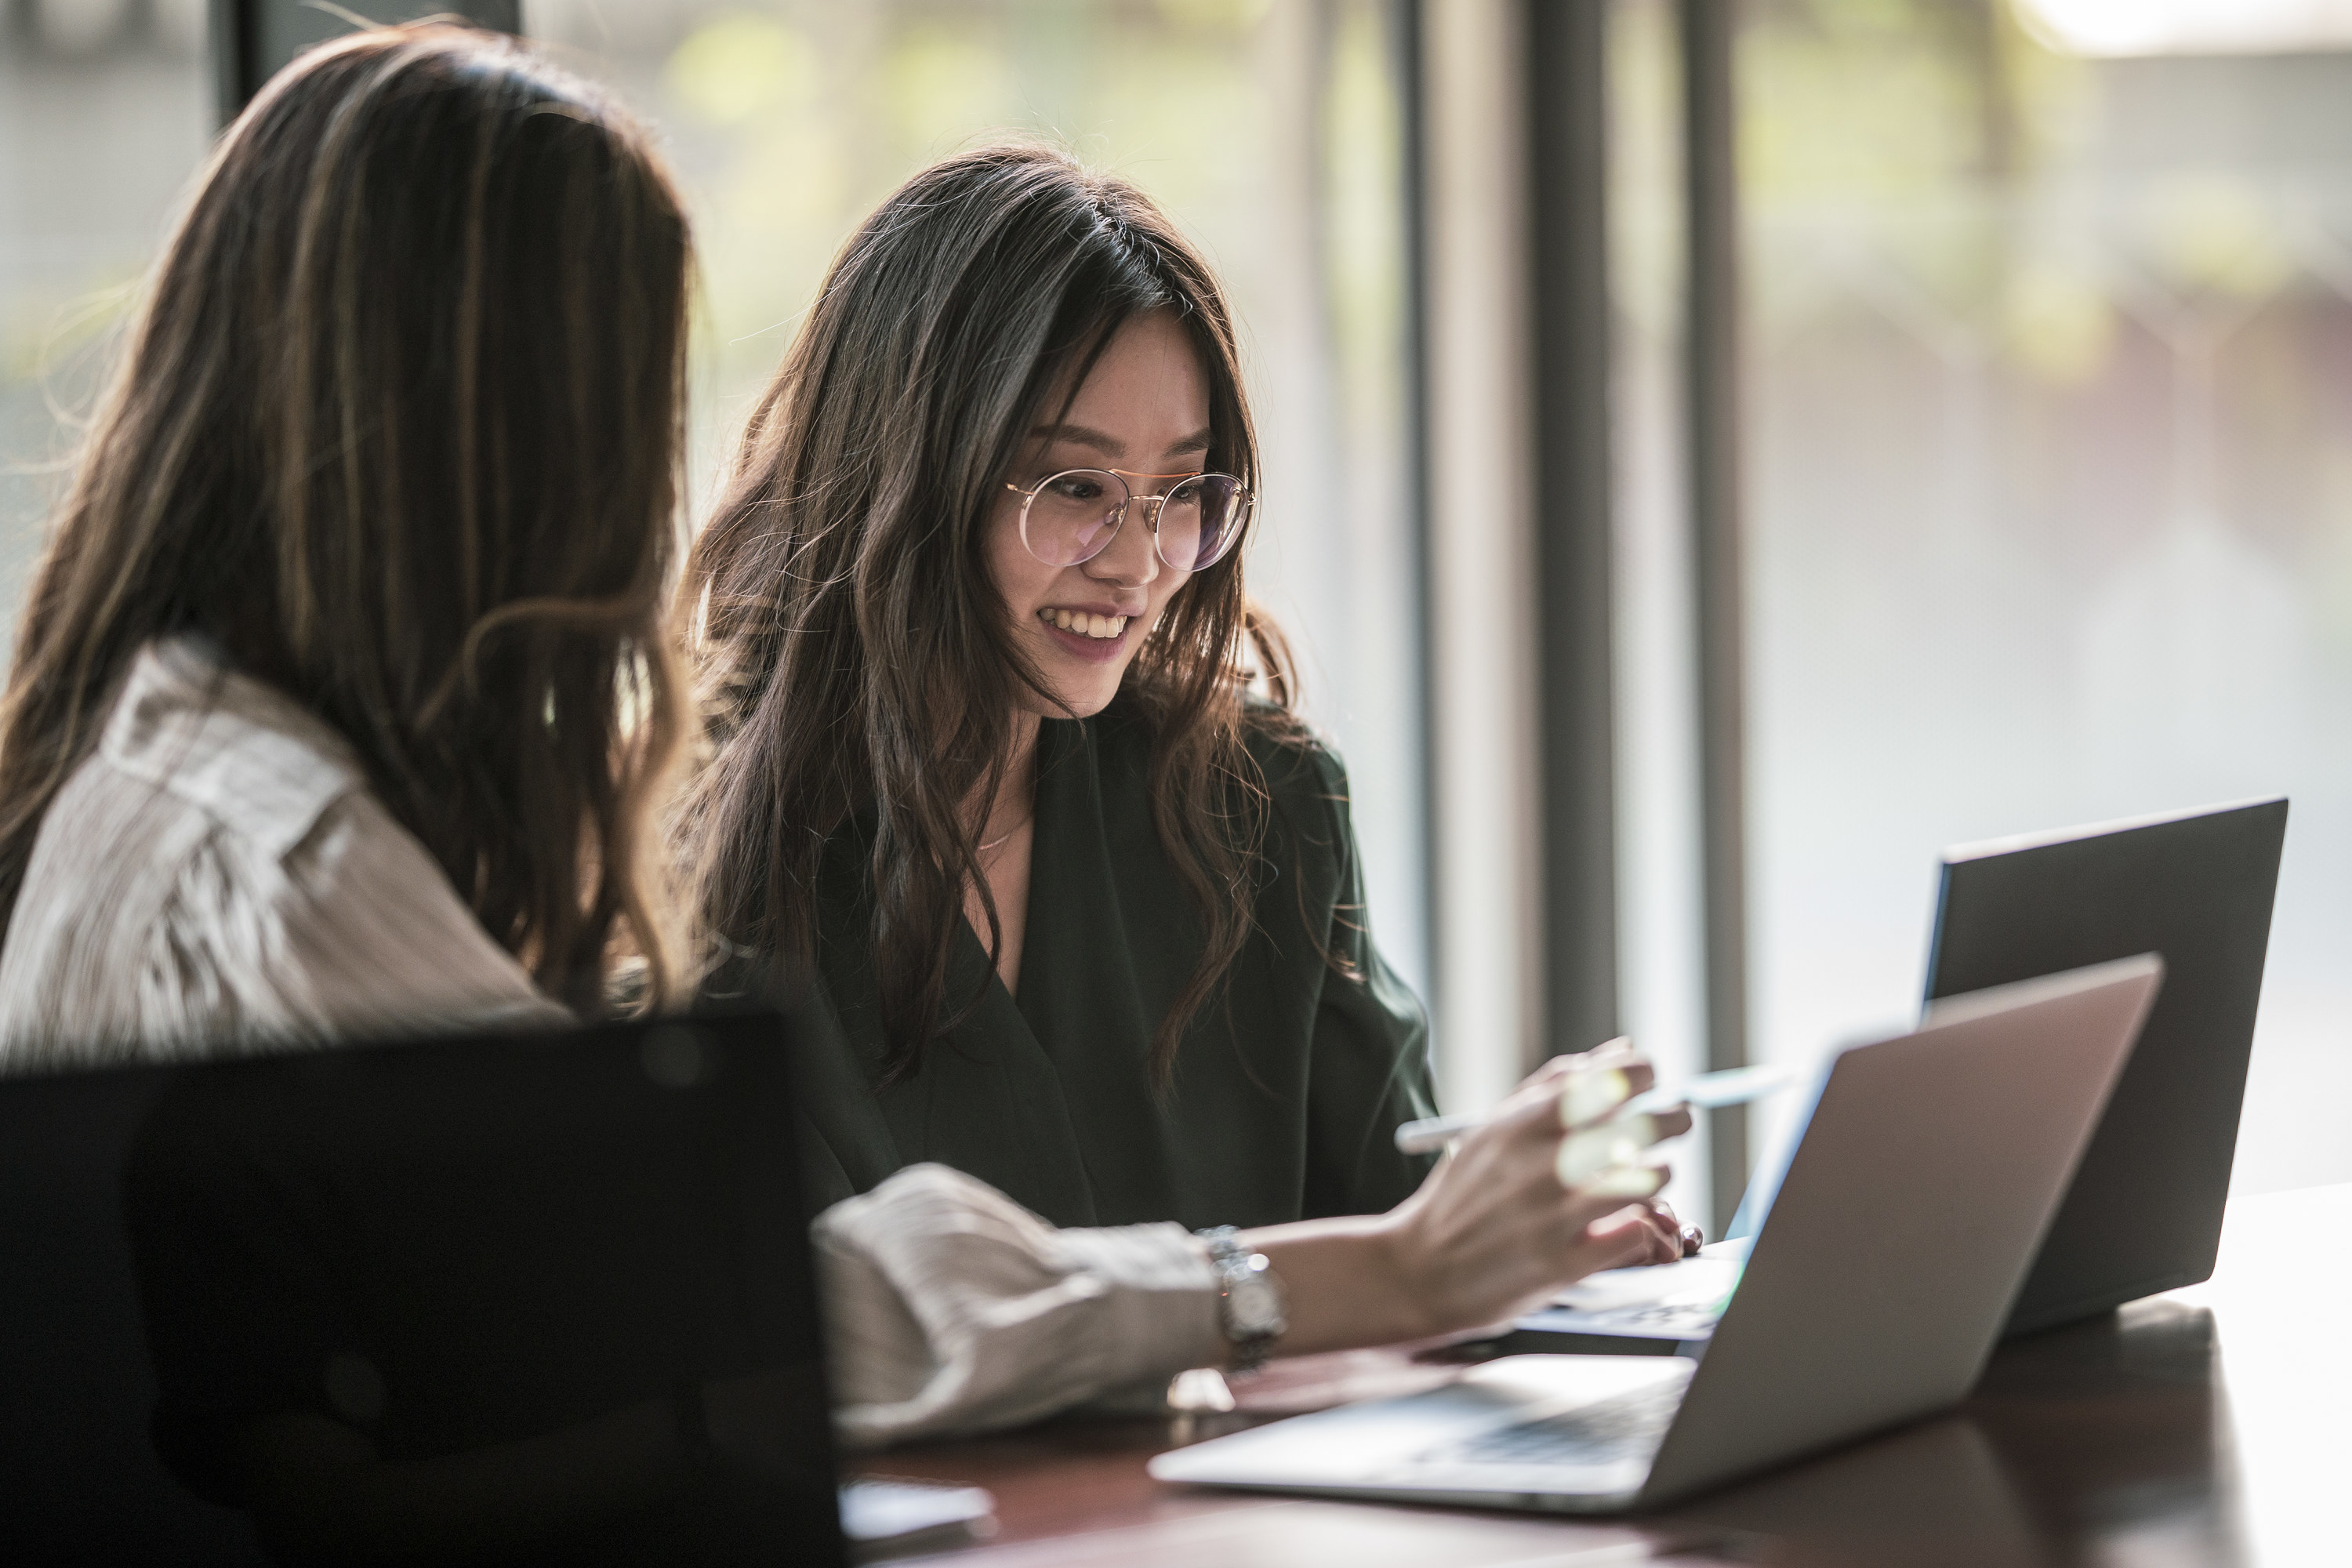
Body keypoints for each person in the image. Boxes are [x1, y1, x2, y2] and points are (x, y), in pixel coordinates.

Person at [0, 24, 1686, 1545]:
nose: (631, 502)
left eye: (1182, 493)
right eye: (614, 415)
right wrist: (1337, 1276)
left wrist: (1483, 1243)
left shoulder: (183, 784)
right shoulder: (296, 865)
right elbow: (746, 1324)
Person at [685, 147, 1694, 1254]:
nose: (1139, 563)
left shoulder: (1263, 808)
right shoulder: (706, 859)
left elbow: (1405, 1239)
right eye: (1076, 487)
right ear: (910, 474)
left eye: (1180, 493)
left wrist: (1540, 1236)